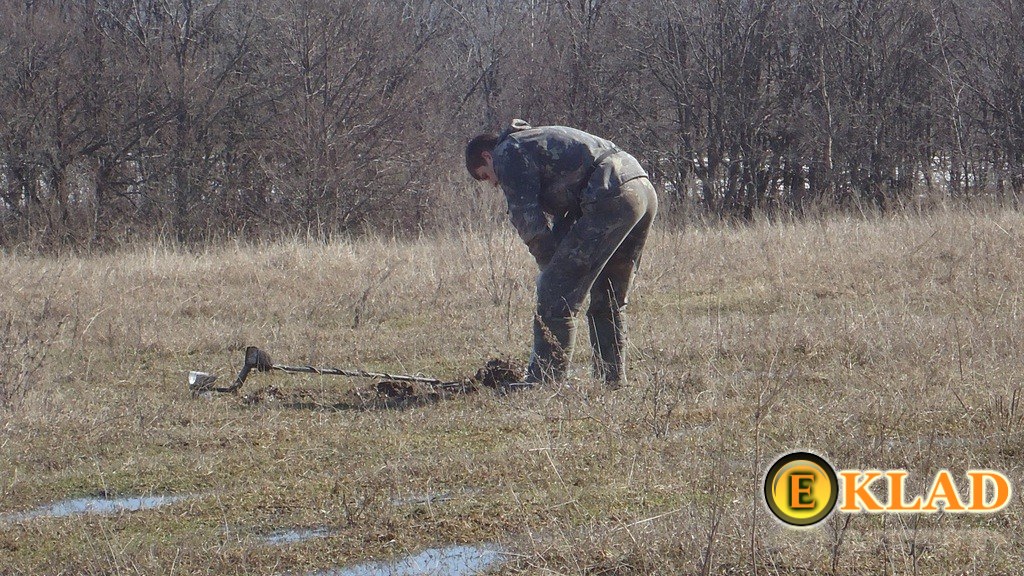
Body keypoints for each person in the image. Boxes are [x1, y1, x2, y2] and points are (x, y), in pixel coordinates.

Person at [465, 119, 658, 388]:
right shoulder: (533, 141)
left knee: (554, 293)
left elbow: (528, 220)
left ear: (487, 156)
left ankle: (545, 381)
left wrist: (551, 268)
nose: (493, 184)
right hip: (640, 189)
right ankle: (611, 381)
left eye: (486, 175)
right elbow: (567, 212)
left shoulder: (506, 152)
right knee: (609, 296)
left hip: (609, 195)